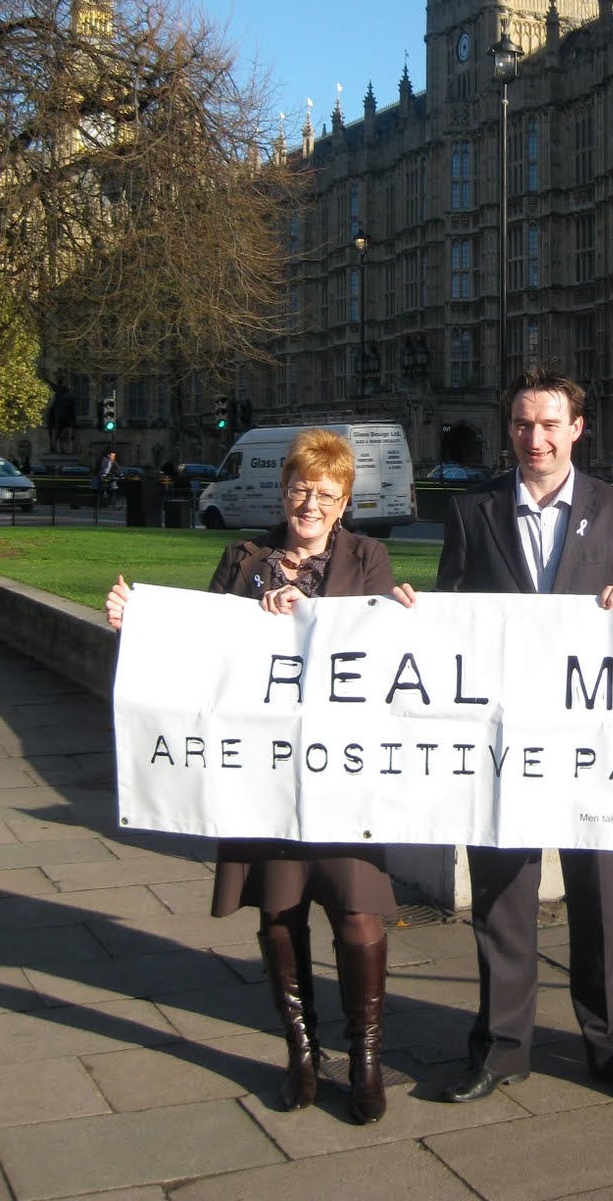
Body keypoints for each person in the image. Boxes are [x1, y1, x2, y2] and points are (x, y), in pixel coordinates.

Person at [105, 429, 416, 1124]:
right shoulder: (242, 559)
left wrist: (403, 620)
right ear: (283, 492)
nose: (311, 503)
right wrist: (138, 625)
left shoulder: (371, 559)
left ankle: (365, 1058)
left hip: (342, 775)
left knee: (359, 913)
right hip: (261, 777)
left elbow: (378, 646)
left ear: (345, 504)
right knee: (280, 914)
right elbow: (200, 650)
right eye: (301, 489)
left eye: (326, 494)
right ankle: (301, 1052)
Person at [436, 364, 613, 1106]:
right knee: (501, 897)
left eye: (548, 424)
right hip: (503, 743)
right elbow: (447, 620)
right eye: (520, 424)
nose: (533, 438)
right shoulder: (471, 510)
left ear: (577, 429)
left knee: (600, 902)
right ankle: (501, 1049)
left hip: (590, 747)